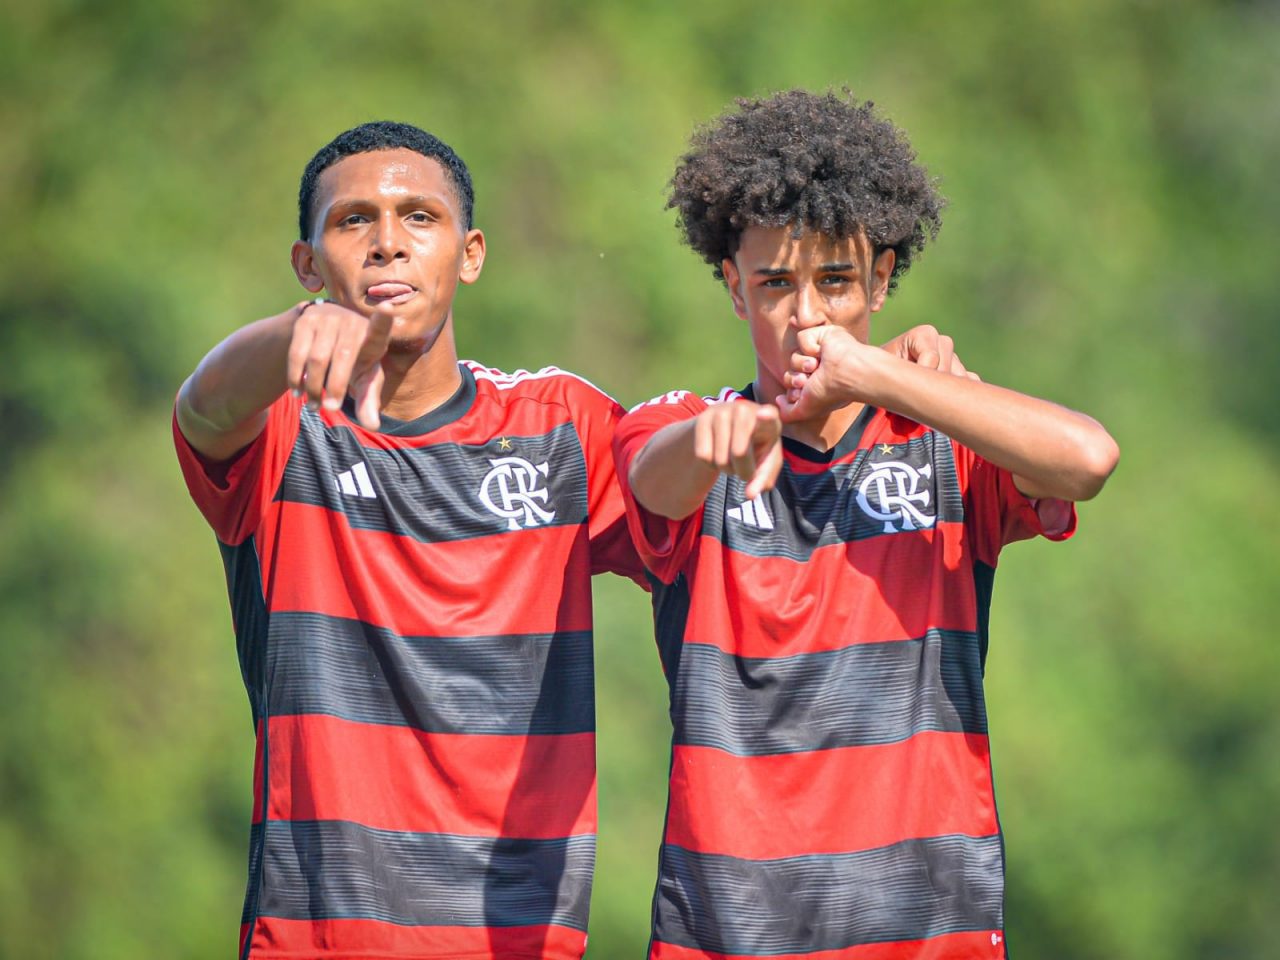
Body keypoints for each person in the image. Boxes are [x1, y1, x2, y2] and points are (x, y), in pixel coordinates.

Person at [612, 90, 1120, 960]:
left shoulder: (943, 441)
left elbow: (1088, 458)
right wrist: (713, 440)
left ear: (882, 280)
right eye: (774, 283)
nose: (807, 317)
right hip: (725, 938)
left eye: (836, 282)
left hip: (932, 937)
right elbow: (652, 485)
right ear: (733, 288)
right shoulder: (689, 431)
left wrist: (884, 379)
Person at [173, 121, 646, 960]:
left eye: (418, 218)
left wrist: (886, 382)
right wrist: (292, 336)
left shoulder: (563, 427)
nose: (388, 243)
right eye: (354, 221)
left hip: (523, 940)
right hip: (314, 939)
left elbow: (724, 512)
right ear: (308, 264)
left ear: (470, 254)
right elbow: (203, 410)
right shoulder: (283, 434)